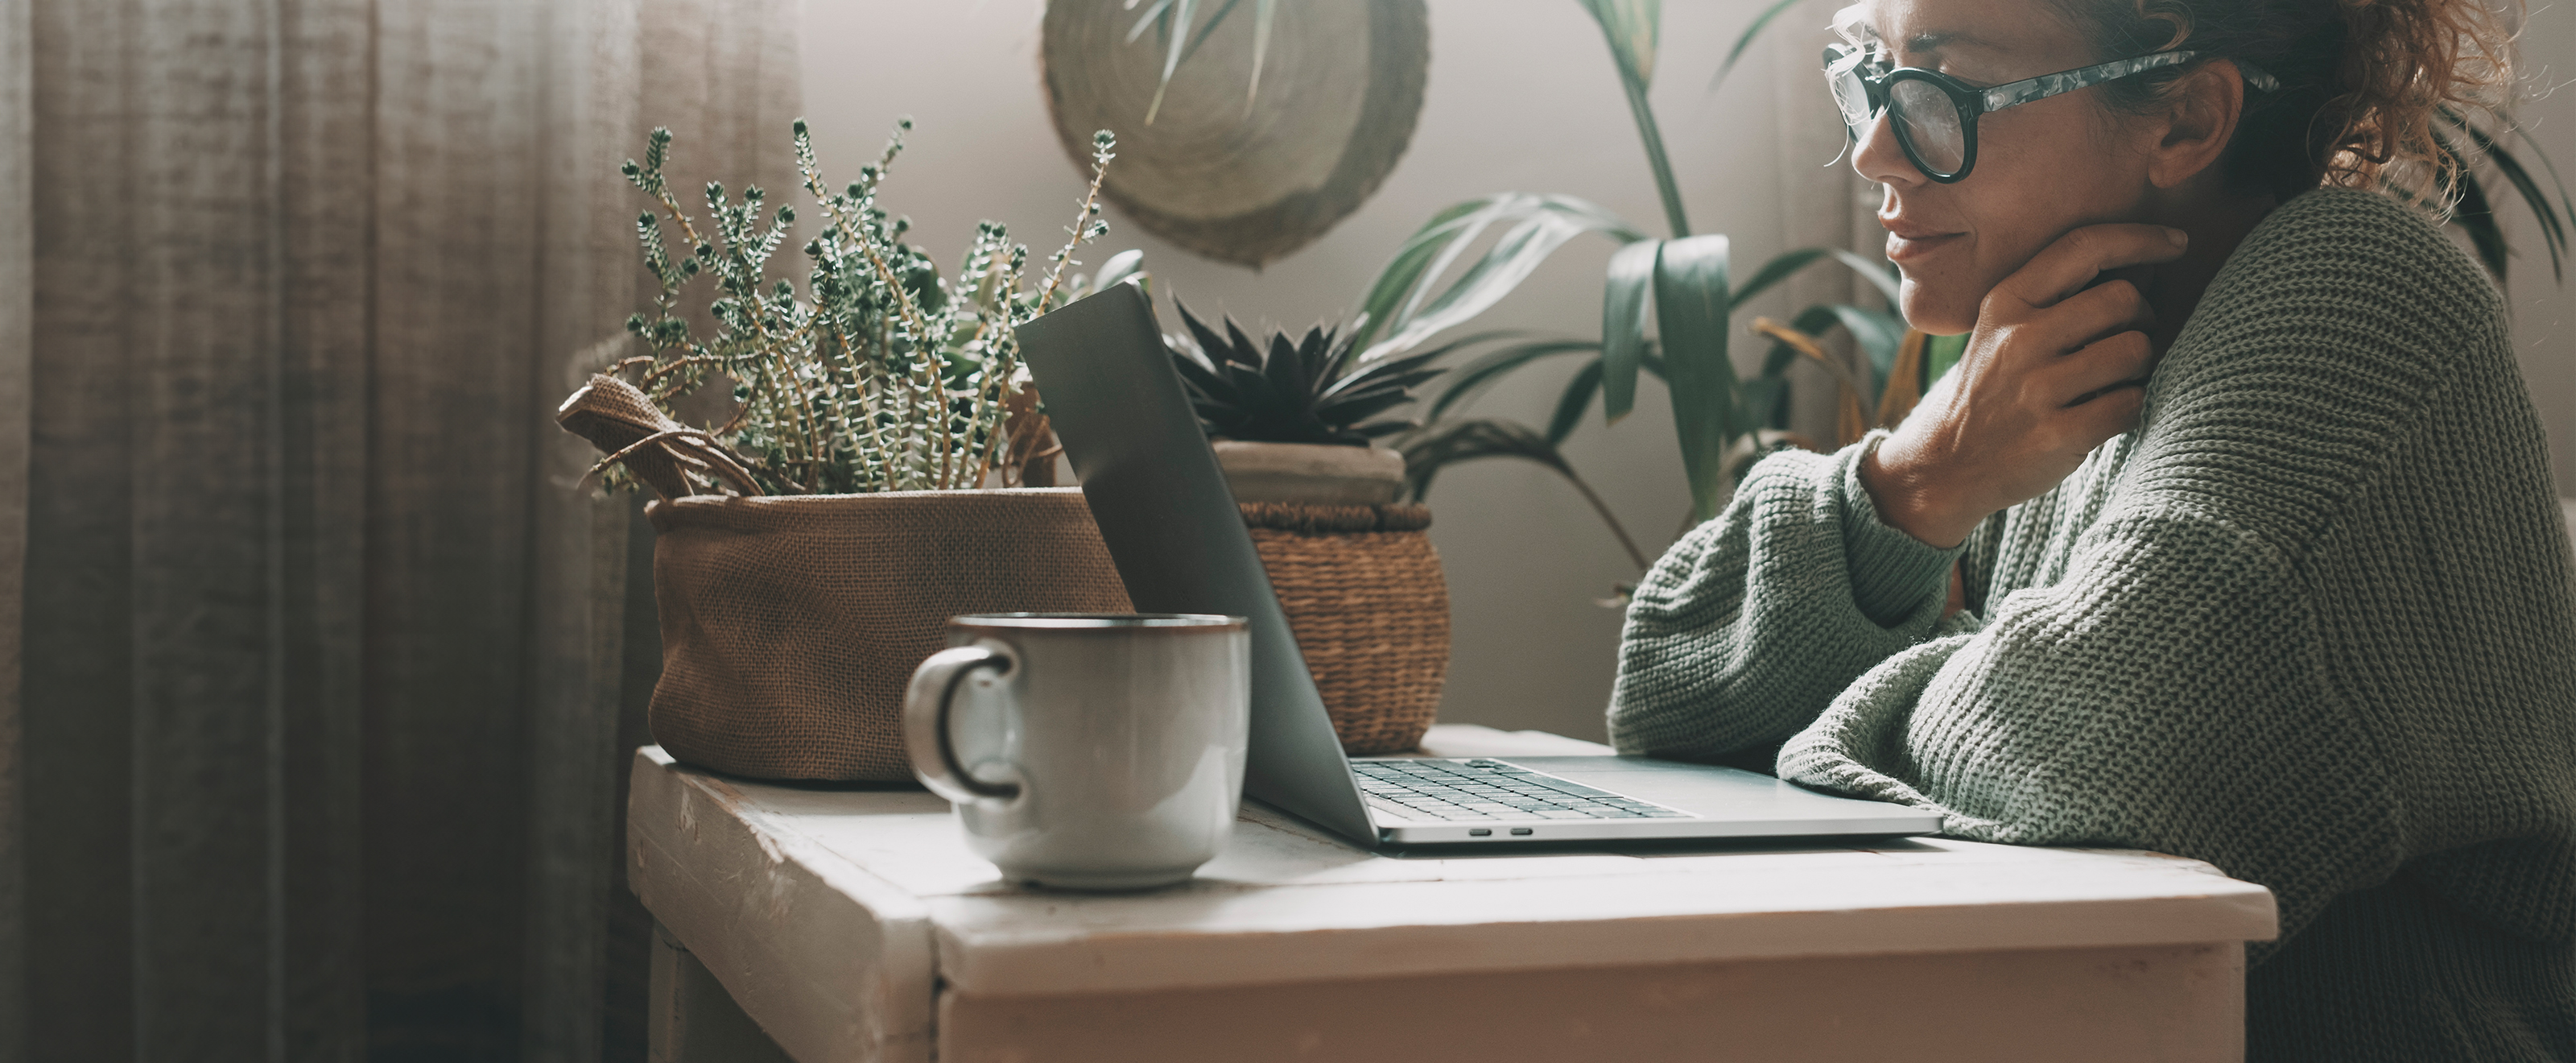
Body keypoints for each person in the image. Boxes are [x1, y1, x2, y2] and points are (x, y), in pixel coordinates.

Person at [1607, 0, 2576, 1057]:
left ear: (2186, 123)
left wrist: (1830, 713)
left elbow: (2091, 780)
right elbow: (1666, 705)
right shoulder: (2059, 359)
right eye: (1869, 75)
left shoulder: (2358, 297)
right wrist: (1920, 475)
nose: (1876, 148)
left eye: (1942, 89)